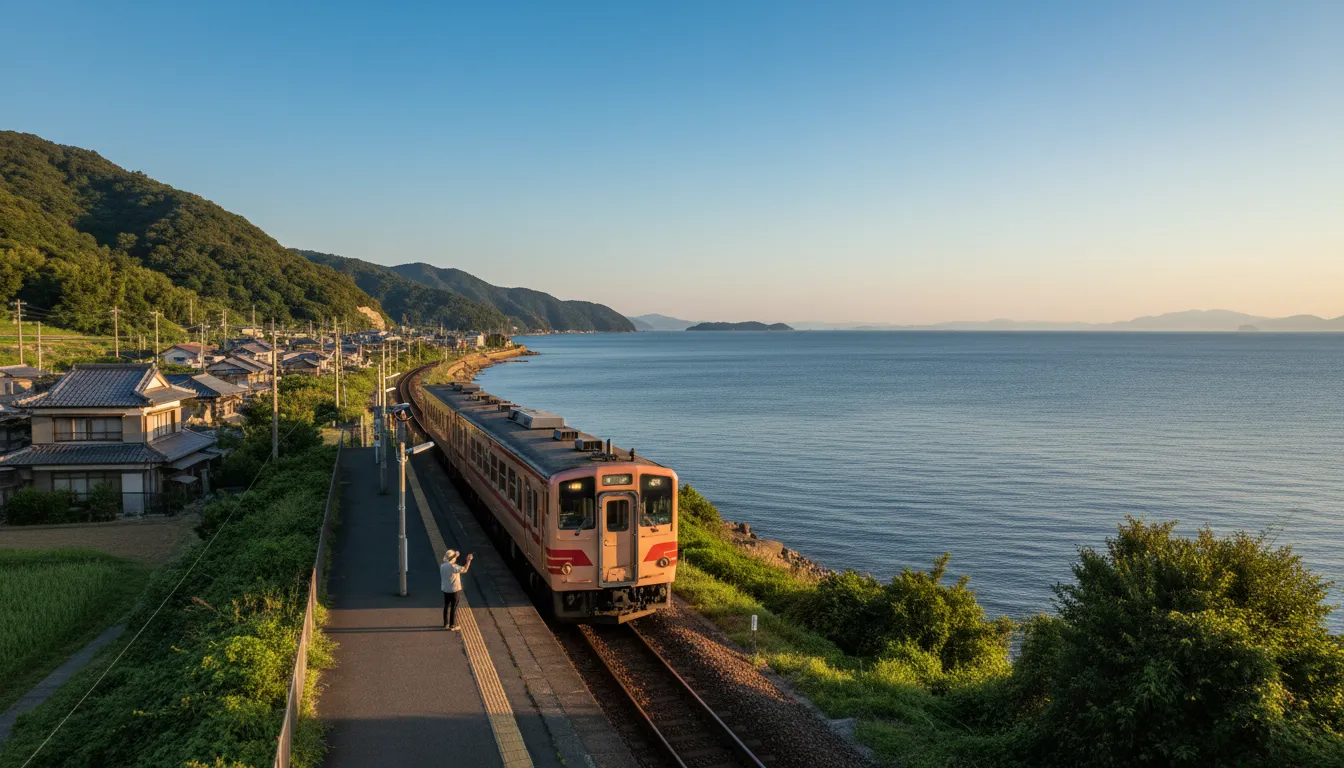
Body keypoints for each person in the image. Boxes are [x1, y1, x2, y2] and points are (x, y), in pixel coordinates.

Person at [440, 549, 473, 630]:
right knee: (453, 607)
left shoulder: (442, 566)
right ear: (453, 558)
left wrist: (455, 555)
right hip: (454, 590)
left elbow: (450, 560)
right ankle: (452, 625)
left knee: (446, 606)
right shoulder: (454, 567)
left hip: (445, 589)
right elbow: (465, 569)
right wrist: (468, 561)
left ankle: (445, 624)